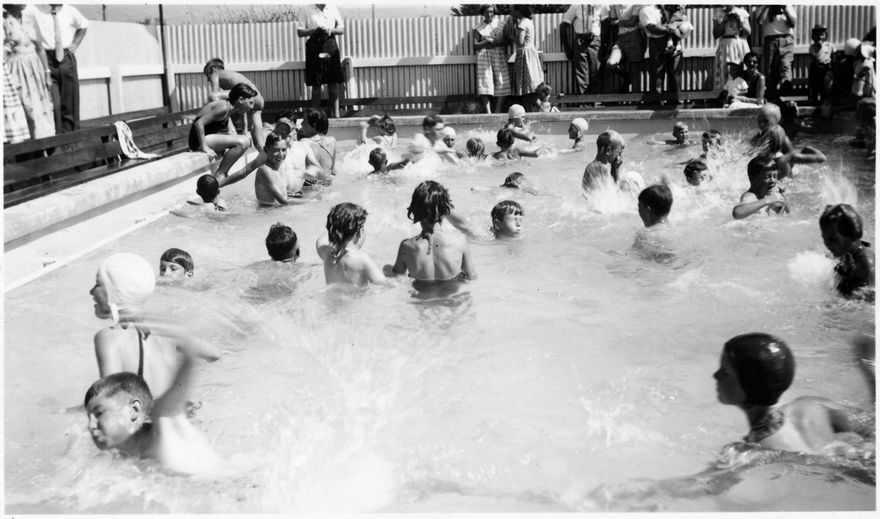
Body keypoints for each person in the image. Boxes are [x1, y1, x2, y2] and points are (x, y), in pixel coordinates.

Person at [714, 333, 874, 453]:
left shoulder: (749, 451)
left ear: (749, 384)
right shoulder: (810, 405)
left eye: (725, 372)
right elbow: (870, 423)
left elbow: (704, 487)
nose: (716, 375)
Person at [84, 338, 222, 474]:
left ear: (134, 411)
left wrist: (188, 360)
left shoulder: (163, 423)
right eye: (88, 416)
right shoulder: (121, 453)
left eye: (99, 413)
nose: (90, 425)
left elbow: (178, 388)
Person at [91, 253, 218, 400]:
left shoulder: (108, 337)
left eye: (98, 284)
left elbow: (111, 401)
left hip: (148, 420)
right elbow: (215, 354)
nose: (92, 291)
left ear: (114, 291)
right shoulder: (166, 329)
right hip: (180, 414)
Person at [389, 180, 477, 282]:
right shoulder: (460, 242)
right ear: (446, 210)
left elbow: (397, 278)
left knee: (387, 268)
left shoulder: (406, 246)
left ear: (415, 210)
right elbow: (472, 277)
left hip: (420, 297)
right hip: (452, 297)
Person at [23, 4, 87, 133]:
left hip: (66, 59)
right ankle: (56, 142)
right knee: (53, 104)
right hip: (44, 59)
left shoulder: (70, 10)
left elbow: (83, 26)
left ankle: (71, 144)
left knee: (70, 102)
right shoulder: (32, 8)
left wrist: (75, 43)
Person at [188, 83, 256, 186]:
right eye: (250, 103)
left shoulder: (228, 108)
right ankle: (221, 174)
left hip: (206, 137)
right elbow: (199, 123)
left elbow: (231, 132)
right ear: (241, 99)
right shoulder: (223, 107)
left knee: (243, 140)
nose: (251, 107)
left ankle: (221, 173)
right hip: (198, 141)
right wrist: (204, 147)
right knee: (243, 142)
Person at [3, 4, 55, 139]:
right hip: (15, 69)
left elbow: (40, 48)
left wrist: (47, 72)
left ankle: (44, 147)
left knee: (42, 108)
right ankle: (27, 150)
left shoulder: (30, 19)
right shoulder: (4, 21)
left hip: (35, 70)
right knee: (25, 109)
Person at [203, 58, 266, 153]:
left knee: (213, 96)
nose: (208, 79)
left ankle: (231, 130)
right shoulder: (231, 75)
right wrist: (245, 129)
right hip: (258, 98)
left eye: (207, 75)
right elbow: (240, 104)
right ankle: (264, 155)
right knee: (256, 134)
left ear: (212, 68)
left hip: (246, 96)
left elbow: (214, 95)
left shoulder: (214, 74)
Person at [315, 203, 387, 286]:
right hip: (357, 298)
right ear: (359, 232)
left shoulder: (327, 254)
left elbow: (320, 240)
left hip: (331, 298)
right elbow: (385, 285)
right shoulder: (362, 260)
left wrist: (336, 227)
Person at [296, 4, 345, 118]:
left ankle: (336, 115)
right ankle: (316, 117)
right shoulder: (305, 9)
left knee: (333, 81)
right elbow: (300, 32)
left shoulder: (333, 7)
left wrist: (331, 30)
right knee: (316, 82)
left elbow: (341, 29)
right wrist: (314, 30)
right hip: (314, 47)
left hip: (330, 45)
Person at [819, 204, 875, 298]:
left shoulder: (866, 265)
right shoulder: (844, 253)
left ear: (851, 236)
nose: (826, 244)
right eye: (824, 238)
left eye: (832, 239)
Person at [640, 5, 687, 100]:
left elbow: (680, 20)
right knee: (657, 76)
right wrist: (672, 30)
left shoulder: (670, 7)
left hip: (673, 41)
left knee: (675, 74)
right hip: (657, 43)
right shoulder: (645, 9)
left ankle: (675, 102)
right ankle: (657, 103)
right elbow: (652, 27)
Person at [473, 4, 511, 114]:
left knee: (503, 81)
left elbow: (508, 41)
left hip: (498, 54)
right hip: (484, 57)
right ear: (482, 13)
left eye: (491, 11)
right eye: (487, 12)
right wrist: (487, 41)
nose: (489, 14)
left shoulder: (500, 24)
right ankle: (488, 113)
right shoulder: (478, 27)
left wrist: (497, 42)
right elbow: (475, 46)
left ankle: (497, 110)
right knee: (485, 83)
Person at [560, 4, 603, 95]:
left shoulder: (600, 5)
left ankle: (596, 101)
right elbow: (564, 25)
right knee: (581, 73)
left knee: (596, 70)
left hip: (595, 40)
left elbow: (606, 23)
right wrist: (567, 48)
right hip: (581, 40)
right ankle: (585, 102)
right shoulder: (576, 6)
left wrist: (605, 44)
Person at [757, 5, 797, 101]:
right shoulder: (764, 7)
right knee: (770, 70)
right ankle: (772, 97)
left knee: (785, 64)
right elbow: (760, 21)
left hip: (786, 39)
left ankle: (785, 88)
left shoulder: (787, 6)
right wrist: (767, 6)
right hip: (770, 40)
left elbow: (793, 24)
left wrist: (785, 8)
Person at [509, 5, 544, 109]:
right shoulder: (527, 21)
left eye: (512, 11)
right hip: (529, 56)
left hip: (525, 57)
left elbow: (520, 42)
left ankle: (544, 110)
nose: (511, 13)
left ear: (518, 11)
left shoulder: (523, 23)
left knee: (528, 91)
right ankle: (534, 113)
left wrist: (510, 36)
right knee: (526, 91)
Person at [732, 155, 788, 219]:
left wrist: (782, 199)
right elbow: (737, 213)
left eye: (775, 176)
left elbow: (787, 216)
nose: (773, 180)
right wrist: (768, 200)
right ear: (754, 179)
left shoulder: (766, 195)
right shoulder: (750, 196)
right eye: (767, 177)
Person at [605, 4, 645, 94]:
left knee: (635, 73)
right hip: (621, 38)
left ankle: (635, 102)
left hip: (635, 37)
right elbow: (611, 21)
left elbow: (632, 22)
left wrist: (617, 22)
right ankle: (627, 78)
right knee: (610, 64)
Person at [712, 5, 751, 92]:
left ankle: (741, 94)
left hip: (739, 44)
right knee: (724, 71)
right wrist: (724, 21)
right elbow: (716, 34)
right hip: (725, 44)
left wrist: (739, 21)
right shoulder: (718, 12)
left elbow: (748, 32)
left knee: (740, 69)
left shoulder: (742, 12)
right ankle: (725, 96)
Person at [255, 132, 298, 207]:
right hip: (268, 214)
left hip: (280, 210)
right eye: (276, 150)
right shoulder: (264, 170)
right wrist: (311, 202)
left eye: (284, 150)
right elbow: (283, 201)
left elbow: (286, 194)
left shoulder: (281, 166)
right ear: (266, 150)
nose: (281, 155)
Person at [299, 108, 337, 186]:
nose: (301, 124)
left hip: (312, 188)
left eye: (304, 121)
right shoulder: (332, 141)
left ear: (314, 125)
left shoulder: (304, 142)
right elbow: (333, 171)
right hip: (329, 186)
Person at [808, 25, 834, 105]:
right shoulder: (812, 47)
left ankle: (824, 103)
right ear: (813, 36)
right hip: (816, 68)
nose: (819, 36)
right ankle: (814, 103)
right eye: (817, 34)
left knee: (824, 88)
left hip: (826, 68)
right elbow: (814, 57)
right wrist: (818, 47)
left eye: (821, 34)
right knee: (815, 87)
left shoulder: (829, 45)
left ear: (825, 35)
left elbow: (833, 56)